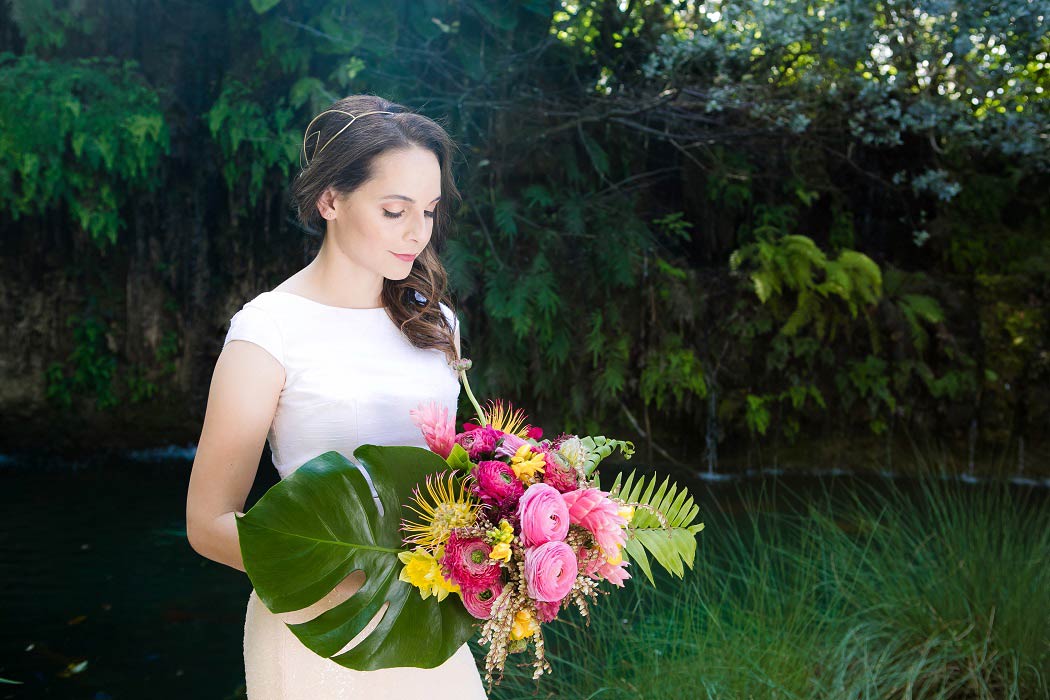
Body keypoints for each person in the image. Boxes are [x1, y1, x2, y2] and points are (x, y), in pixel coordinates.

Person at [185, 94, 488, 699]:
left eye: (427, 212)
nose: (417, 233)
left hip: (428, 623)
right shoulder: (269, 330)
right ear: (330, 201)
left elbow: (451, 477)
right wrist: (354, 570)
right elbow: (206, 522)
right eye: (394, 210)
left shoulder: (436, 324)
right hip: (320, 624)